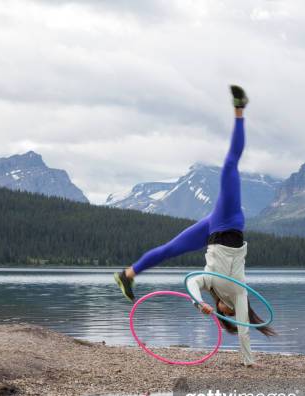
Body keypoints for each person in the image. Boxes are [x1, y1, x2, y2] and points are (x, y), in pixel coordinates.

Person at [114, 85, 275, 366]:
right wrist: (249, 361)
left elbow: (190, 282)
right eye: (228, 318)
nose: (222, 313)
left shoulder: (210, 285)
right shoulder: (239, 292)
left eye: (222, 317)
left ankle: (127, 274)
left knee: (169, 250)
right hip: (229, 222)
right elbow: (245, 331)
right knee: (229, 166)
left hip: (213, 232)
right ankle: (239, 110)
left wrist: (197, 302)